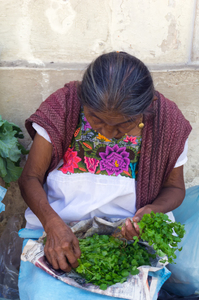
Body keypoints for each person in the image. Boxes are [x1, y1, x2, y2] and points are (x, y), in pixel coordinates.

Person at [18, 52, 191, 296]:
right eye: (96, 119)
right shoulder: (64, 107)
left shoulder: (168, 123)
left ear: (147, 107)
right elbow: (29, 178)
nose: (108, 132)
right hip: (57, 227)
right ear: (83, 101)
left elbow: (175, 188)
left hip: (129, 236)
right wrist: (53, 224)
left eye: (123, 124)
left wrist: (152, 211)